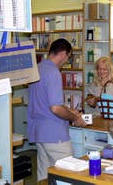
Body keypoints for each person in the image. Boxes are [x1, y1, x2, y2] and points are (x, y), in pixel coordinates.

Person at [27, 38, 87, 182]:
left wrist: (70, 111)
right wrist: (75, 118)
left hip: (38, 132)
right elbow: (55, 108)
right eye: (68, 57)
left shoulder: (37, 69)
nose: (66, 61)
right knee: (70, 175)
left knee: (44, 176)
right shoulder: (54, 72)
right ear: (63, 54)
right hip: (54, 135)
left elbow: (45, 102)